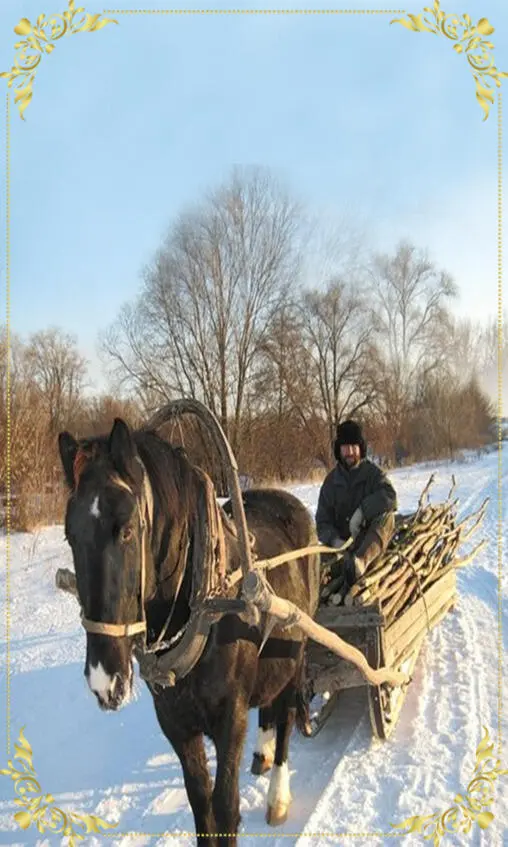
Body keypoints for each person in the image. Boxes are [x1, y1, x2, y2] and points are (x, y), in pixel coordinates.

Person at [316, 419, 398, 587]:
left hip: (369, 546)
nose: (350, 452)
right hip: (341, 551)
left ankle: (360, 563)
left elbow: (390, 496)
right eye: (345, 447)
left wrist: (362, 511)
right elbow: (322, 522)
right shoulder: (330, 483)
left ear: (361, 448)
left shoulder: (373, 474)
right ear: (339, 450)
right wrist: (334, 540)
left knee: (387, 518)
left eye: (354, 446)